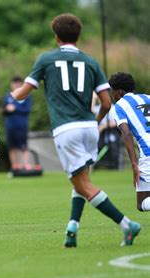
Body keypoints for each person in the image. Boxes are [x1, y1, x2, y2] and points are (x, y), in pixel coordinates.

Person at [11, 13, 140, 247]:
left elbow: (21, 94)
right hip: (90, 128)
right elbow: (107, 103)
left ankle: (126, 225)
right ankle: (72, 228)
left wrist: (13, 95)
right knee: (81, 179)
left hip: (66, 129)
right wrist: (95, 121)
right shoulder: (91, 62)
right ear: (78, 36)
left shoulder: (46, 59)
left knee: (83, 184)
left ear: (56, 36)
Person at [109, 72, 150, 212]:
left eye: (112, 91)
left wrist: (134, 164)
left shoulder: (119, 106)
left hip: (148, 152)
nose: (111, 95)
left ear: (119, 91)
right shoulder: (147, 97)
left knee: (142, 203)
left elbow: (126, 133)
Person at [3, 76, 33, 170]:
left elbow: (27, 109)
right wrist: (7, 109)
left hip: (21, 125)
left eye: (18, 83)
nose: (16, 84)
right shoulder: (8, 96)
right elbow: (4, 110)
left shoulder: (26, 95)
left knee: (23, 145)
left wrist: (15, 108)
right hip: (10, 125)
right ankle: (14, 165)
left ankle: (26, 165)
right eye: (14, 83)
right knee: (11, 146)